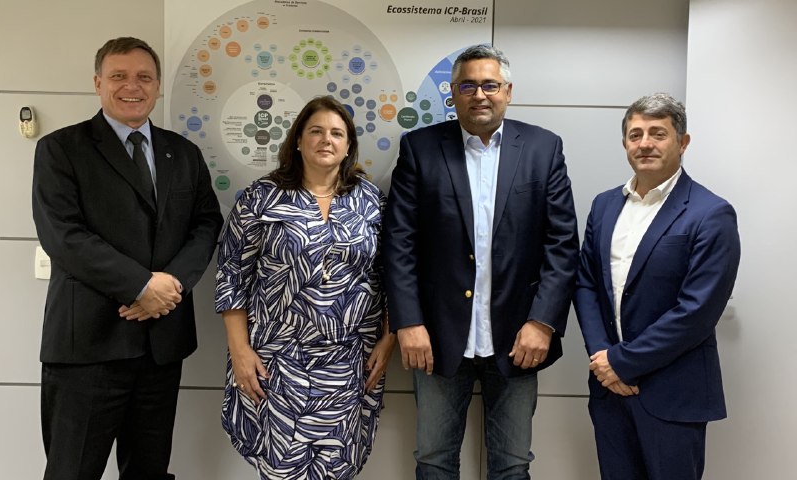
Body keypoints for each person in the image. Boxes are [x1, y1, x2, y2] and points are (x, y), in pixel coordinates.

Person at [383, 44, 579, 479]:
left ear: (508, 91)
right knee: (433, 460)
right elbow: (399, 242)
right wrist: (408, 322)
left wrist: (543, 322)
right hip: (436, 336)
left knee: (512, 465)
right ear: (453, 93)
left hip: (519, 337)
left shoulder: (543, 148)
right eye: (468, 86)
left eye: (490, 85)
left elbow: (562, 244)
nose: (479, 95)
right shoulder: (420, 148)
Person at [31, 37, 223, 480]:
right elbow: (64, 235)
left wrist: (171, 284)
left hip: (160, 347)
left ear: (157, 85)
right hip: (87, 348)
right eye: (118, 76)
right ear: (98, 83)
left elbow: (206, 224)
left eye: (144, 77)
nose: (132, 86)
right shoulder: (62, 149)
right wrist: (141, 286)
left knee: (149, 473)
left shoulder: (183, 153)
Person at [215, 95, 396, 479]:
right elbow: (232, 275)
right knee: (282, 465)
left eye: (337, 133)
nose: (326, 139)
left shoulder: (370, 202)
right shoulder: (262, 197)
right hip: (277, 361)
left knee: (336, 466)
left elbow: (392, 275)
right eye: (316, 131)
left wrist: (389, 338)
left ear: (348, 145)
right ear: (298, 140)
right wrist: (239, 350)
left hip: (349, 363)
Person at [573, 93, 741, 480]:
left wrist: (622, 362)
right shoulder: (604, 205)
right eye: (636, 134)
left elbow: (697, 312)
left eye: (658, 133)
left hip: (673, 394)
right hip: (609, 391)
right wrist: (602, 357)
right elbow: (586, 284)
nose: (645, 143)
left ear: (682, 142)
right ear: (625, 143)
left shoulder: (711, 213)